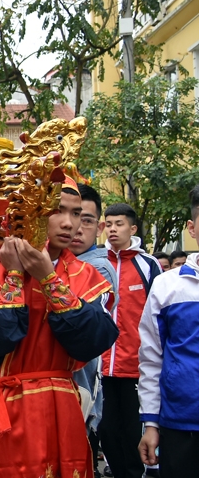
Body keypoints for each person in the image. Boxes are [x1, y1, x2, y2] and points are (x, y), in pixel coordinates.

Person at [0, 179, 119, 478]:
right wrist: (14, 275)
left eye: (76, 213)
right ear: (30, 211)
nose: (69, 223)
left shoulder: (88, 278)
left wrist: (49, 279)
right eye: (57, 210)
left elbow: (92, 341)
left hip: (59, 410)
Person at [138, 184, 199, 477]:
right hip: (180, 423)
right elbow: (151, 358)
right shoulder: (167, 286)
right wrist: (151, 423)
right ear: (192, 228)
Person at [100, 202, 163, 478]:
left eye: (119, 224)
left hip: (135, 367)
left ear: (133, 228)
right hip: (101, 368)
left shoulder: (148, 265)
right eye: (109, 224)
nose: (113, 229)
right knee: (106, 432)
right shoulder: (96, 263)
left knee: (132, 434)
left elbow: (159, 314)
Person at [68, 183, 118, 476]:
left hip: (78, 389)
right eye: (66, 214)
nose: (75, 226)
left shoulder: (97, 269)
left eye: (84, 219)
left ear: (99, 228)